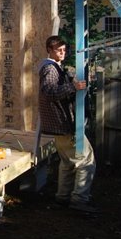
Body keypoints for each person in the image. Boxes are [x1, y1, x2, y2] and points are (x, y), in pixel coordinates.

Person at [38, 35, 98, 213]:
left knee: (67, 162)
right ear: (50, 50)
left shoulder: (53, 67)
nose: (62, 53)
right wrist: (74, 87)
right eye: (59, 50)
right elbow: (48, 92)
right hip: (62, 124)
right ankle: (79, 199)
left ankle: (63, 197)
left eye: (64, 50)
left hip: (56, 124)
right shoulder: (50, 68)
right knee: (87, 160)